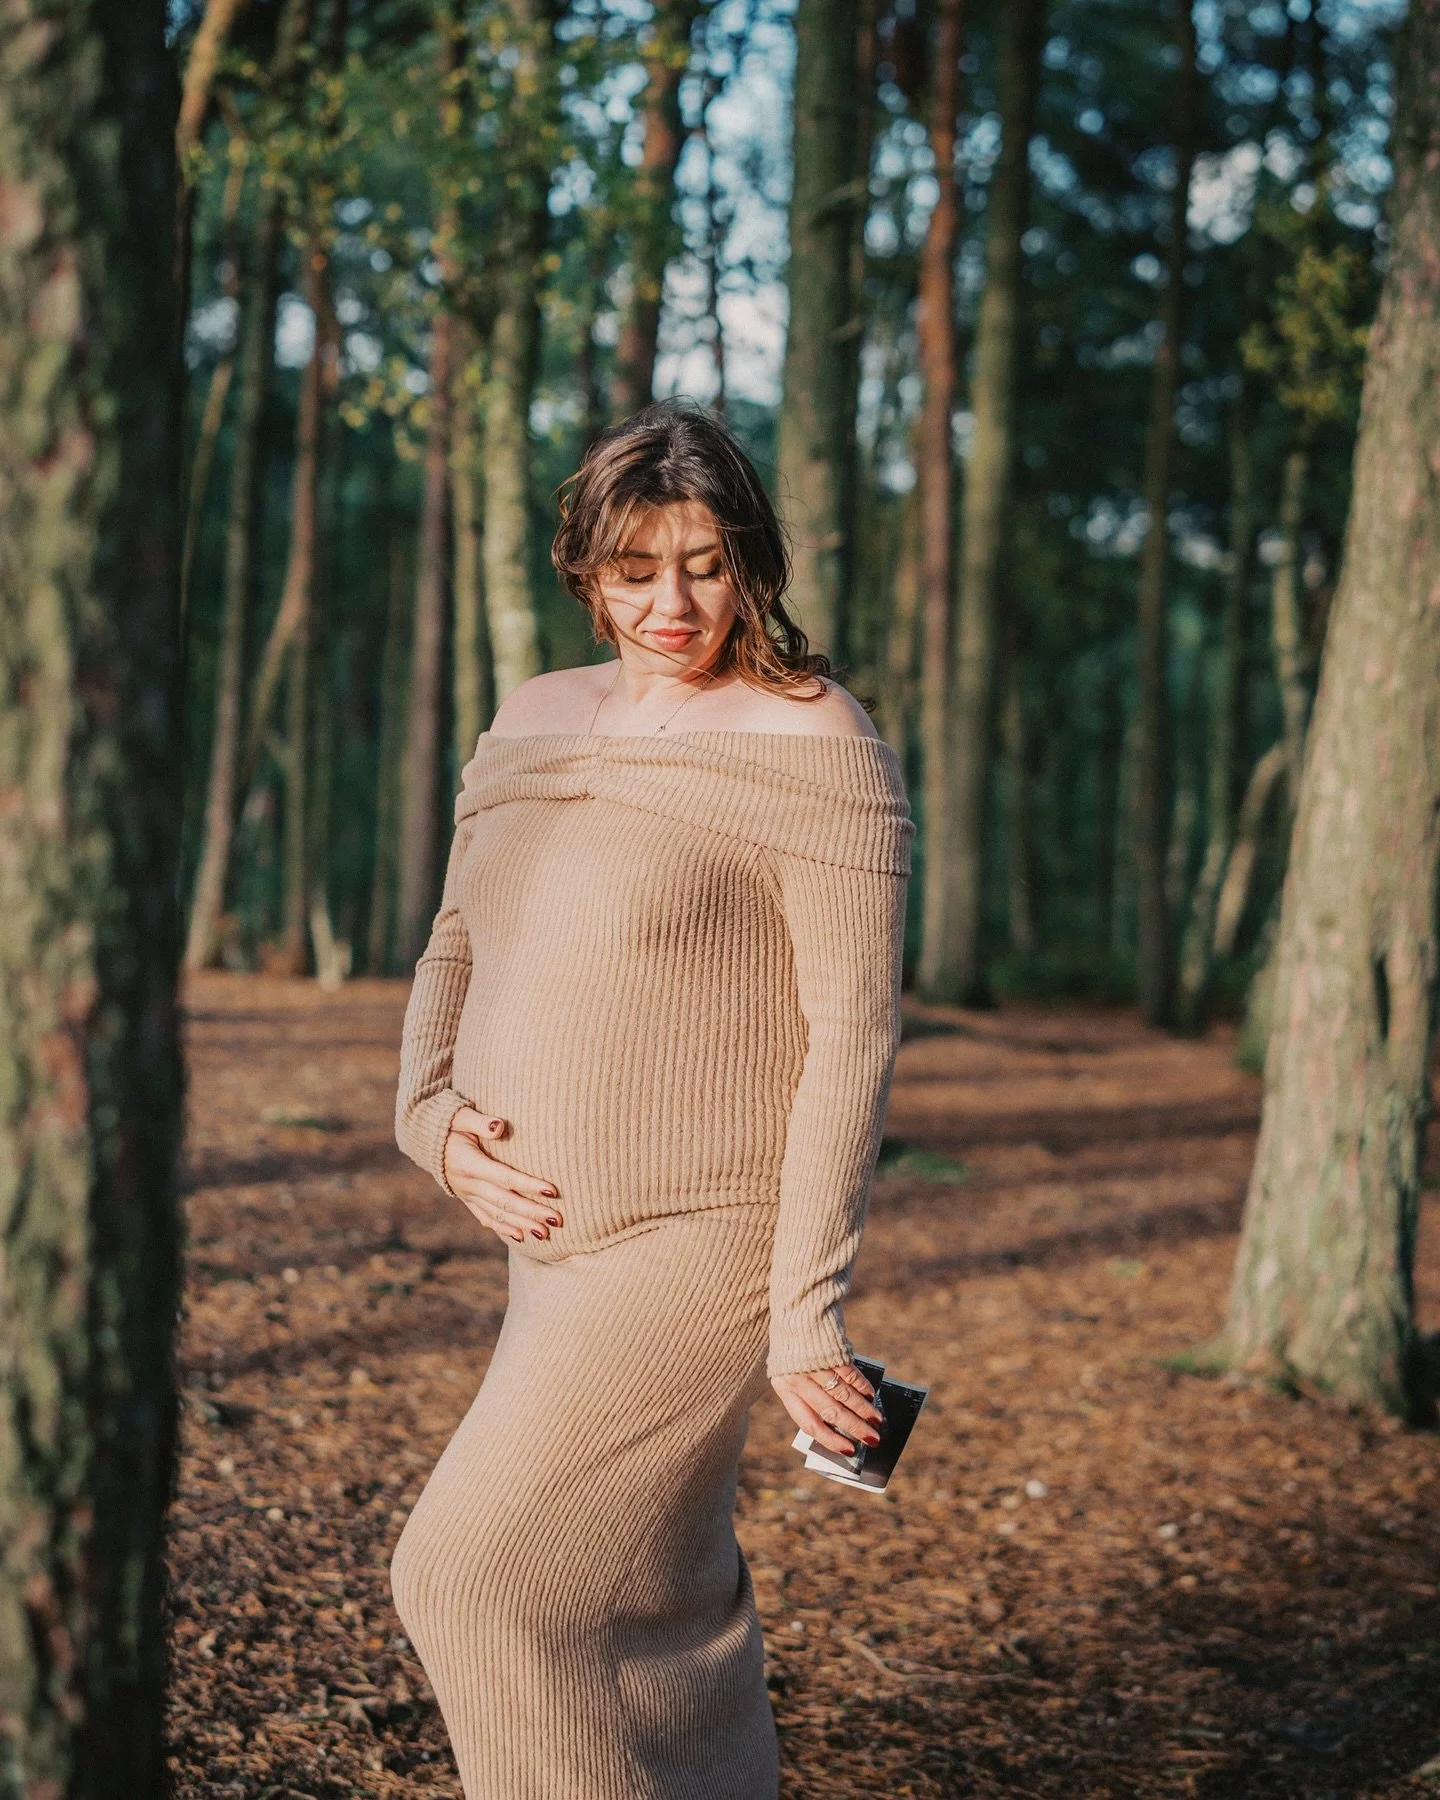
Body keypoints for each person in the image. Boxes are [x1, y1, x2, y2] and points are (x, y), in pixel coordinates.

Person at [390, 400, 913, 1800]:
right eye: (635, 569)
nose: (672, 602)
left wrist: (809, 1307)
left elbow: (850, 1034)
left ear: (752, 561)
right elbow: (458, 939)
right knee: (658, 1605)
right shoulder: (534, 715)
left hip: (698, 1240)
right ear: (586, 569)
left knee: (473, 1578)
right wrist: (429, 1120)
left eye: (704, 561)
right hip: (542, 1245)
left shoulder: (815, 737)